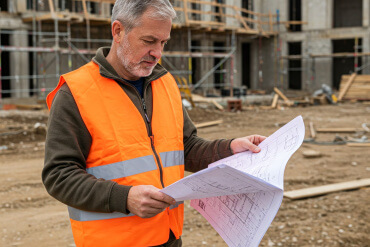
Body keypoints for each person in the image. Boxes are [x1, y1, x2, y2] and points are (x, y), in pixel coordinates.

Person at [42, 0, 266, 246]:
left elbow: (185, 147)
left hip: (167, 236)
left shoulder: (165, 83)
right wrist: (124, 198)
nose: (157, 53)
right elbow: (58, 174)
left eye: (163, 43)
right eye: (149, 41)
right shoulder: (76, 92)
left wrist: (230, 148)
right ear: (118, 31)